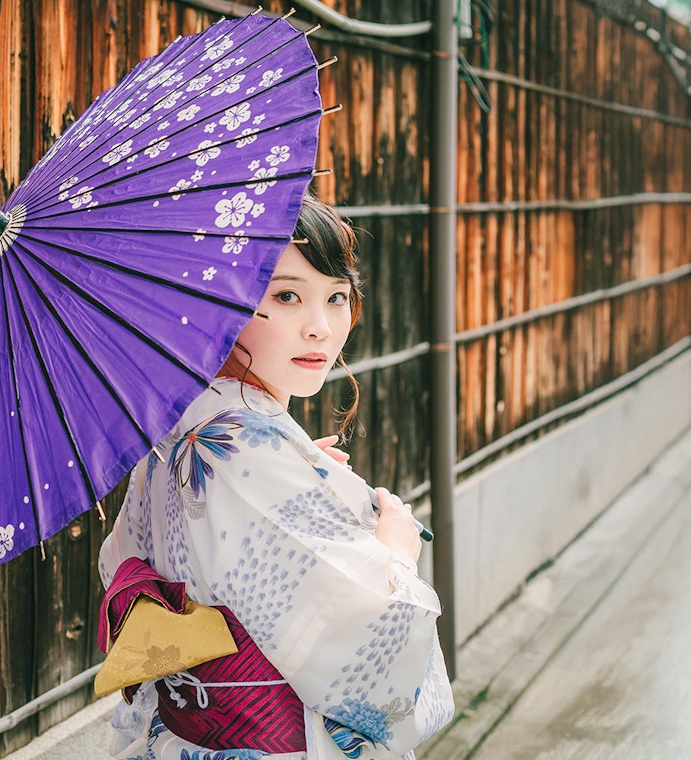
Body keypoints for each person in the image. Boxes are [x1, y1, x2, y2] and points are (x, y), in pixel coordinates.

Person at [97, 193, 455, 760]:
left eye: (336, 297)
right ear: (222, 301)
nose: (321, 328)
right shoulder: (243, 446)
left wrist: (291, 472)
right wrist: (396, 551)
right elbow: (366, 631)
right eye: (286, 295)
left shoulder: (189, 418)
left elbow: (127, 556)